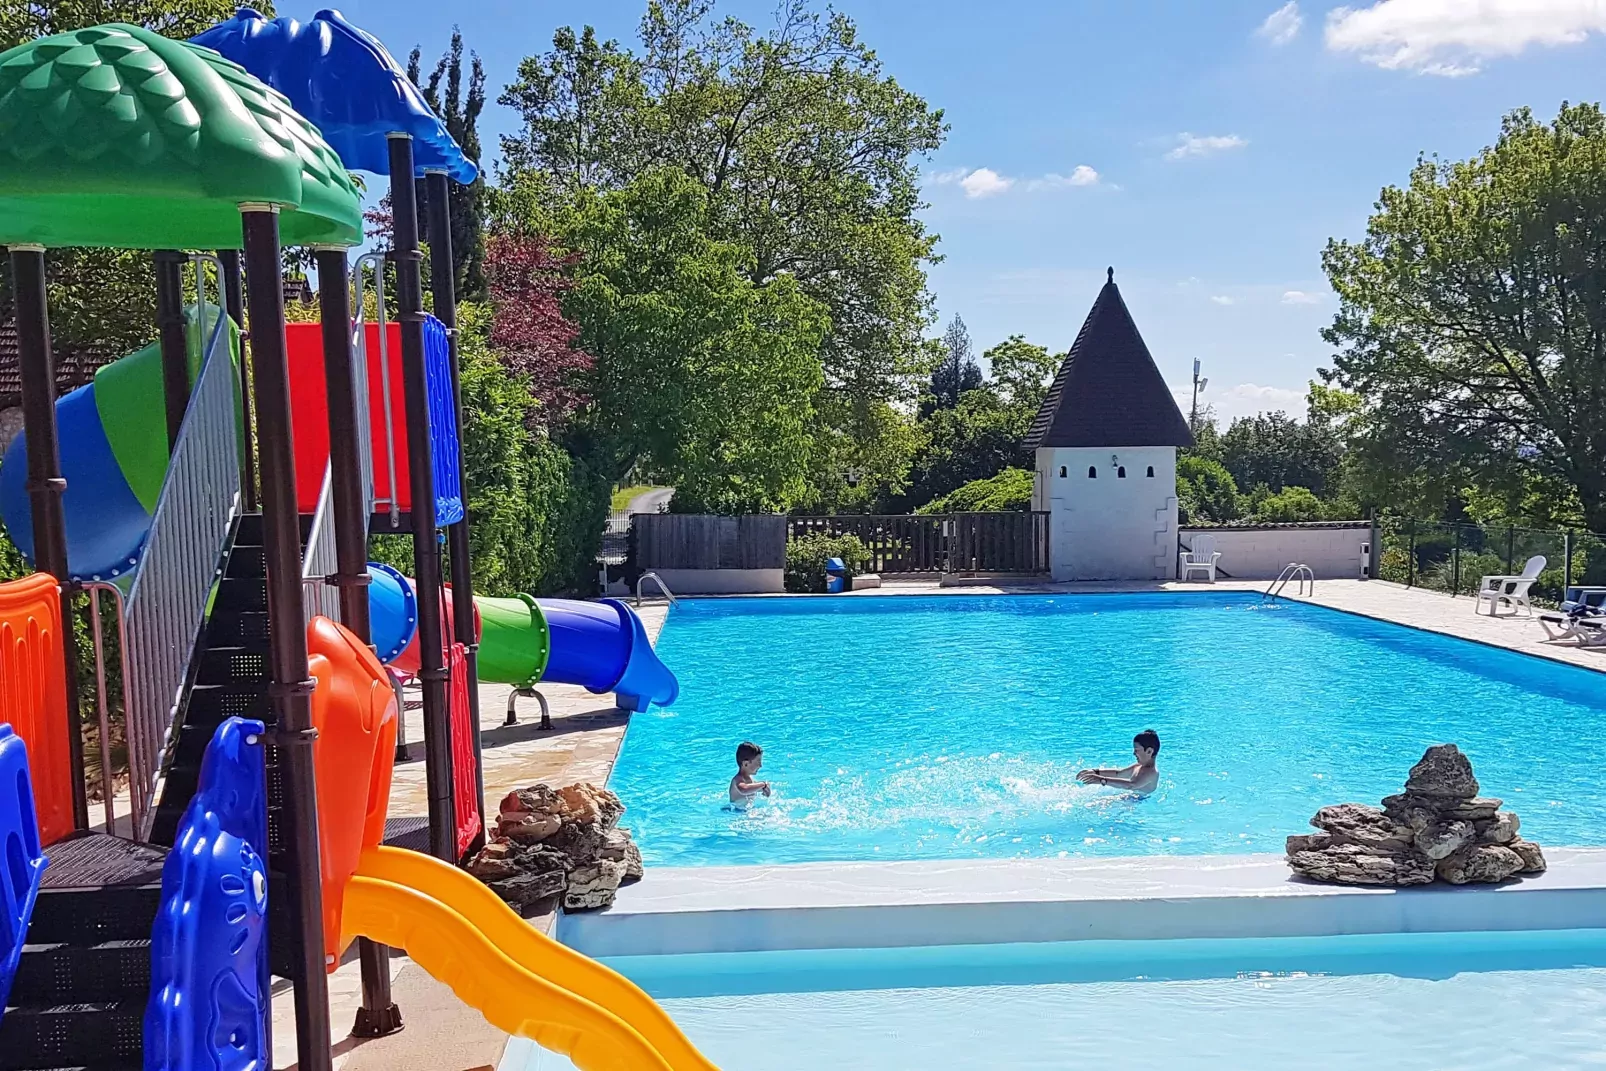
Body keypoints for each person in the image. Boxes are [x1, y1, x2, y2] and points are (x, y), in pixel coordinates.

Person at [1076, 729, 1160, 795]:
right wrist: (1095, 772)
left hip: (1140, 801)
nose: (1134, 753)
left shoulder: (1152, 772)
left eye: (1136, 750)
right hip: (1131, 798)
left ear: (1149, 751)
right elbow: (1118, 773)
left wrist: (1101, 780)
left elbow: (1131, 785)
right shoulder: (1137, 766)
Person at [729, 741, 772, 807]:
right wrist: (763, 784)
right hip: (735, 811)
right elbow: (744, 789)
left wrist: (766, 790)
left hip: (746, 810)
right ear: (746, 764)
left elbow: (760, 790)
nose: (760, 765)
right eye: (758, 762)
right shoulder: (737, 780)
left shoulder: (752, 780)